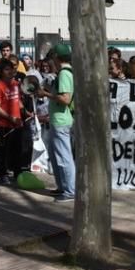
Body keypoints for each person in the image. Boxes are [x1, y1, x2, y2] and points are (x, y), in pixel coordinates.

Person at [39, 44, 75, 202]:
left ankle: (69, 190)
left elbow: (66, 99)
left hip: (61, 121)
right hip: (57, 120)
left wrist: (46, 94)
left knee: (63, 157)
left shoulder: (65, 74)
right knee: (56, 156)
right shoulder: (62, 73)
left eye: (52, 58)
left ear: (57, 58)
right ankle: (63, 187)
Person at [0, 59, 24, 183]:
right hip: (5, 124)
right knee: (4, 150)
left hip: (18, 123)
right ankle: (3, 174)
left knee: (18, 150)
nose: (10, 71)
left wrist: (25, 112)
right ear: (1, 72)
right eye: (6, 69)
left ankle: (17, 173)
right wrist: (11, 118)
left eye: (11, 69)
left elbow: (18, 100)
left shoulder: (16, 84)